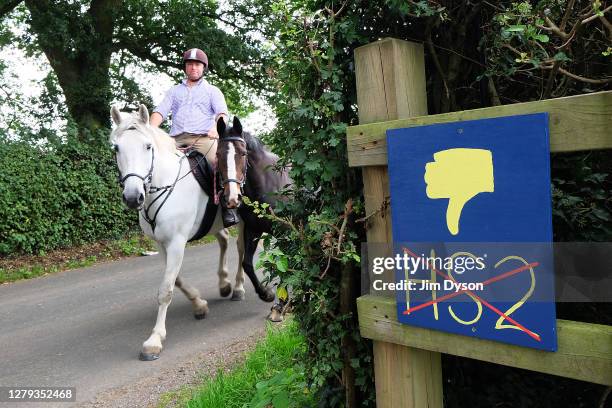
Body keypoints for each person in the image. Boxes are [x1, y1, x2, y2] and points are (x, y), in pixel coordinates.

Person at [150, 48, 238, 227]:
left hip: (203, 138)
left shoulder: (212, 91)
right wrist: (150, 129)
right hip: (175, 139)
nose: (193, 68)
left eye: (197, 64)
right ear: (185, 68)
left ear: (203, 68)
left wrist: (216, 127)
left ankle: (228, 208)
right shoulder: (174, 91)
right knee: (152, 162)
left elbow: (222, 113)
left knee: (218, 163)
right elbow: (160, 111)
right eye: (189, 64)